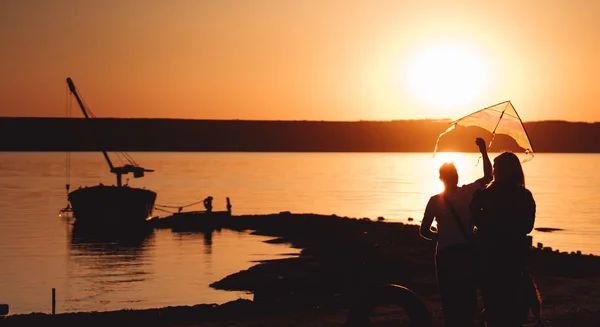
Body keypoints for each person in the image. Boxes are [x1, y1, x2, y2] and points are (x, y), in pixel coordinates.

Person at [419, 137, 492, 327]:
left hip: (445, 255)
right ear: (456, 176)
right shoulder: (468, 193)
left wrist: (439, 235)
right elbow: (488, 177)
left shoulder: (435, 200)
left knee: (449, 298)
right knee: (468, 296)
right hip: (465, 253)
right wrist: (483, 151)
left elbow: (424, 231)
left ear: (441, 178)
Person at [470, 152, 536, 327]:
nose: (493, 170)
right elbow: (528, 226)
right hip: (514, 257)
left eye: (495, 167)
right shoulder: (524, 195)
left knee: (492, 303)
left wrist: (477, 207)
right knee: (512, 305)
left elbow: (475, 221)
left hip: (489, 256)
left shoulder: (484, 195)